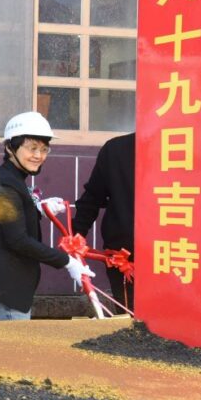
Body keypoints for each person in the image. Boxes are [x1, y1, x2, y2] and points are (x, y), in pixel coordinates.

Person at [0, 111, 94, 320]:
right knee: (14, 342)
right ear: (10, 147)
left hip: (7, 287)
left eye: (44, 149)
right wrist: (67, 262)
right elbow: (18, 240)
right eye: (32, 148)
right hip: (5, 290)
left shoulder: (11, 178)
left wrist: (37, 209)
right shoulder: (7, 184)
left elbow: (8, 220)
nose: (39, 155)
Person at [72, 132, 135, 308]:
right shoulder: (116, 149)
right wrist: (75, 239)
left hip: (178, 258)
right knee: (131, 318)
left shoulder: (189, 147)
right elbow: (92, 198)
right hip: (125, 262)